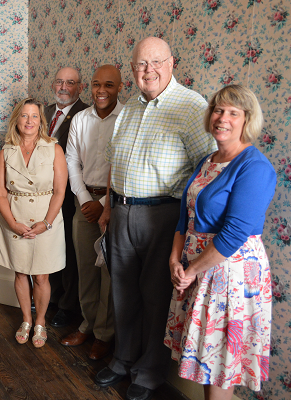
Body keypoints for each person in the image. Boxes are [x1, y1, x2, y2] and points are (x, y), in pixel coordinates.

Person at [95, 37, 216, 400]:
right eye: (140, 65)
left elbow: (207, 168)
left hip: (164, 215)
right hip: (120, 210)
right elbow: (114, 161)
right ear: (132, 70)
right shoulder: (129, 107)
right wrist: (106, 207)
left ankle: (148, 372)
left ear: (171, 63)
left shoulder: (192, 105)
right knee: (123, 292)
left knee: (156, 296)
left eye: (155, 62)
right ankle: (123, 359)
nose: (147, 70)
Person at [164, 85, 275, 400]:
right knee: (205, 361)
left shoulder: (254, 167)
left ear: (246, 120)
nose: (222, 118)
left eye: (233, 113)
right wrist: (175, 262)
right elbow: (184, 218)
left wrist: (191, 270)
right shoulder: (208, 160)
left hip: (230, 276)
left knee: (220, 365)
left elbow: (235, 233)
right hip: (198, 270)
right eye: (218, 110)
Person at [60, 65, 123, 361]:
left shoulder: (127, 118)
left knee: (108, 272)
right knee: (85, 269)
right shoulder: (80, 119)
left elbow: (123, 164)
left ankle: (104, 334)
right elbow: (71, 160)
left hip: (115, 205)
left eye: (108, 85)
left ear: (120, 87)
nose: (101, 90)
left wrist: (105, 203)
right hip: (83, 203)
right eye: (97, 84)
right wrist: (85, 198)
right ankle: (86, 324)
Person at [0, 98, 67, 348]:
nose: (29, 121)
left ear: (41, 121)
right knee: (21, 271)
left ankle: (40, 322)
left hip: (47, 219)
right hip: (16, 217)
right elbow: (0, 193)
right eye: (24, 116)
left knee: (42, 276)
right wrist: (13, 223)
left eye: (34, 116)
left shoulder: (54, 148)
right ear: (17, 120)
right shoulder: (6, 151)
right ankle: (26, 319)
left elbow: (60, 191)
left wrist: (46, 223)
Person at [44, 67, 88, 328]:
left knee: (69, 252)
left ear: (80, 87)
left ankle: (67, 305)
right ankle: (51, 295)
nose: (63, 87)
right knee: (49, 246)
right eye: (59, 81)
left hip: (70, 193)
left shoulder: (85, 114)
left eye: (69, 83)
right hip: (43, 194)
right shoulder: (45, 111)